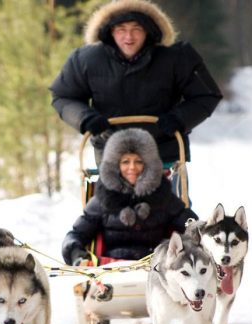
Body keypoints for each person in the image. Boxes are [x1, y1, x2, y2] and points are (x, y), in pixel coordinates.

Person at [49, 0, 223, 171]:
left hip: (163, 153)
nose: (129, 37)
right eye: (121, 30)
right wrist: (85, 118)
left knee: (166, 200)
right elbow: (64, 96)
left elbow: (206, 94)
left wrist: (178, 119)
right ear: (110, 31)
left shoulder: (177, 57)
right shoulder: (85, 59)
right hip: (111, 155)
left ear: (149, 31)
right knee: (106, 200)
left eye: (136, 29)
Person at [62, 128, 197, 266]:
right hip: (111, 268)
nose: (132, 167)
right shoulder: (103, 199)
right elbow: (75, 235)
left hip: (155, 268)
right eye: (125, 162)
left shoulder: (163, 195)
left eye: (138, 161)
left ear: (148, 164)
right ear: (115, 165)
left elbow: (192, 226)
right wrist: (77, 256)